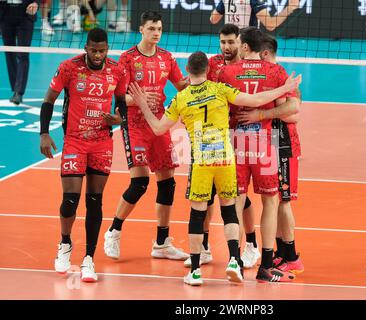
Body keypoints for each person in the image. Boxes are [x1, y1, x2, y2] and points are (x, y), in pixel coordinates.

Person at [127, 51, 300, 285]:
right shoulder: (220, 90)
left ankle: (195, 271)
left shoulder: (181, 99)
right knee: (229, 210)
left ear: (187, 71)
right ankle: (233, 261)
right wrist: (284, 88)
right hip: (226, 160)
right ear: (207, 71)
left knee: (198, 214)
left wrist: (142, 105)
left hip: (202, 162)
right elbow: (257, 100)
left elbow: (158, 128)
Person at [39, 28, 127, 282]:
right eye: (94, 50)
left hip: (101, 143)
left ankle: (89, 258)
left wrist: (119, 119)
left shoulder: (116, 70)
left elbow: (121, 103)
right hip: (75, 141)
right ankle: (65, 243)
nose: (98, 55)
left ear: (107, 49)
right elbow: (49, 100)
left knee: (95, 201)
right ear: (86, 48)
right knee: (70, 200)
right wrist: (44, 133)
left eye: (102, 50)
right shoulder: (69, 68)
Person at [103, 11, 189, 262]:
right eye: (151, 28)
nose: (156, 33)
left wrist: (200, 80)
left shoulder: (166, 58)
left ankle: (162, 243)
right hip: (135, 125)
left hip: (159, 125)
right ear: (141, 29)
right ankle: (114, 230)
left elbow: (182, 85)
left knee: (168, 182)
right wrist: (138, 100)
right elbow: (118, 98)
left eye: (159, 29)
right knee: (140, 182)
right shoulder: (128, 59)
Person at [218, 26, 298, 282]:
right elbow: (293, 105)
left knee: (238, 202)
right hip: (265, 143)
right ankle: (265, 265)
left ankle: (236, 262)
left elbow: (218, 106)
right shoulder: (275, 71)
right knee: (270, 202)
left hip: (236, 141)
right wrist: (263, 114)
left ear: (244, 46)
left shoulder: (227, 72)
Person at [184, 23, 261, 269]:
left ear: (241, 43)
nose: (226, 47)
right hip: (210, 138)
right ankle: (204, 247)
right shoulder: (213, 64)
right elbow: (192, 90)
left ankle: (251, 244)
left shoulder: (248, 67)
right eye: (223, 42)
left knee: (240, 194)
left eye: (231, 42)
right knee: (204, 197)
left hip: (243, 133)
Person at [237, 33, 304, 274]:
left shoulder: (277, 74)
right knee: (275, 202)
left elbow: (294, 111)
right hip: (269, 143)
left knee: (282, 201)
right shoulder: (269, 76)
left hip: (283, 144)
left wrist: (260, 114)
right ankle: (282, 253)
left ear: (263, 54)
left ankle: (291, 256)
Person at [0, 0, 39, 105]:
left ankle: (19, 92)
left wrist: (36, 2)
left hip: (26, 12)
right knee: (9, 52)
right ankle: (15, 89)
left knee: (23, 53)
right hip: (5, 12)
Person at [210, 0, 300, 31]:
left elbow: (213, 19)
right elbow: (270, 25)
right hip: (248, 45)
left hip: (229, 43)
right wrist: (290, 8)